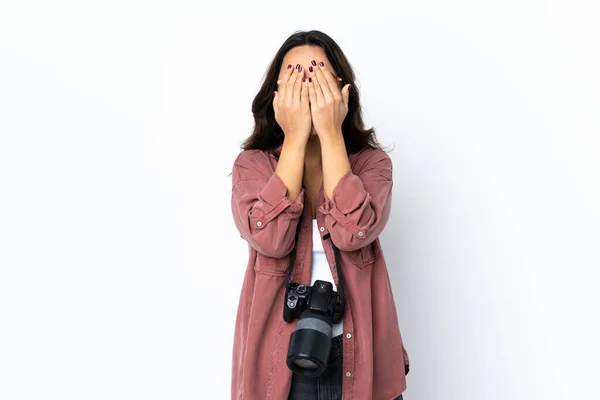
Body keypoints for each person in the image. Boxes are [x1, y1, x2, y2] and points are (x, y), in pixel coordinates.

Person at [230, 30, 409, 400]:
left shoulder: (372, 164)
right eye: (295, 75)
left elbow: (353, 231)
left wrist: (330, 135)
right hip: (279, 360)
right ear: (276, 94)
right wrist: (295, 138)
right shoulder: (253, 166)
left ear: (341, 90)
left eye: (318, 74)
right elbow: (270, 239)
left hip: (360, 357)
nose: (307, 85)